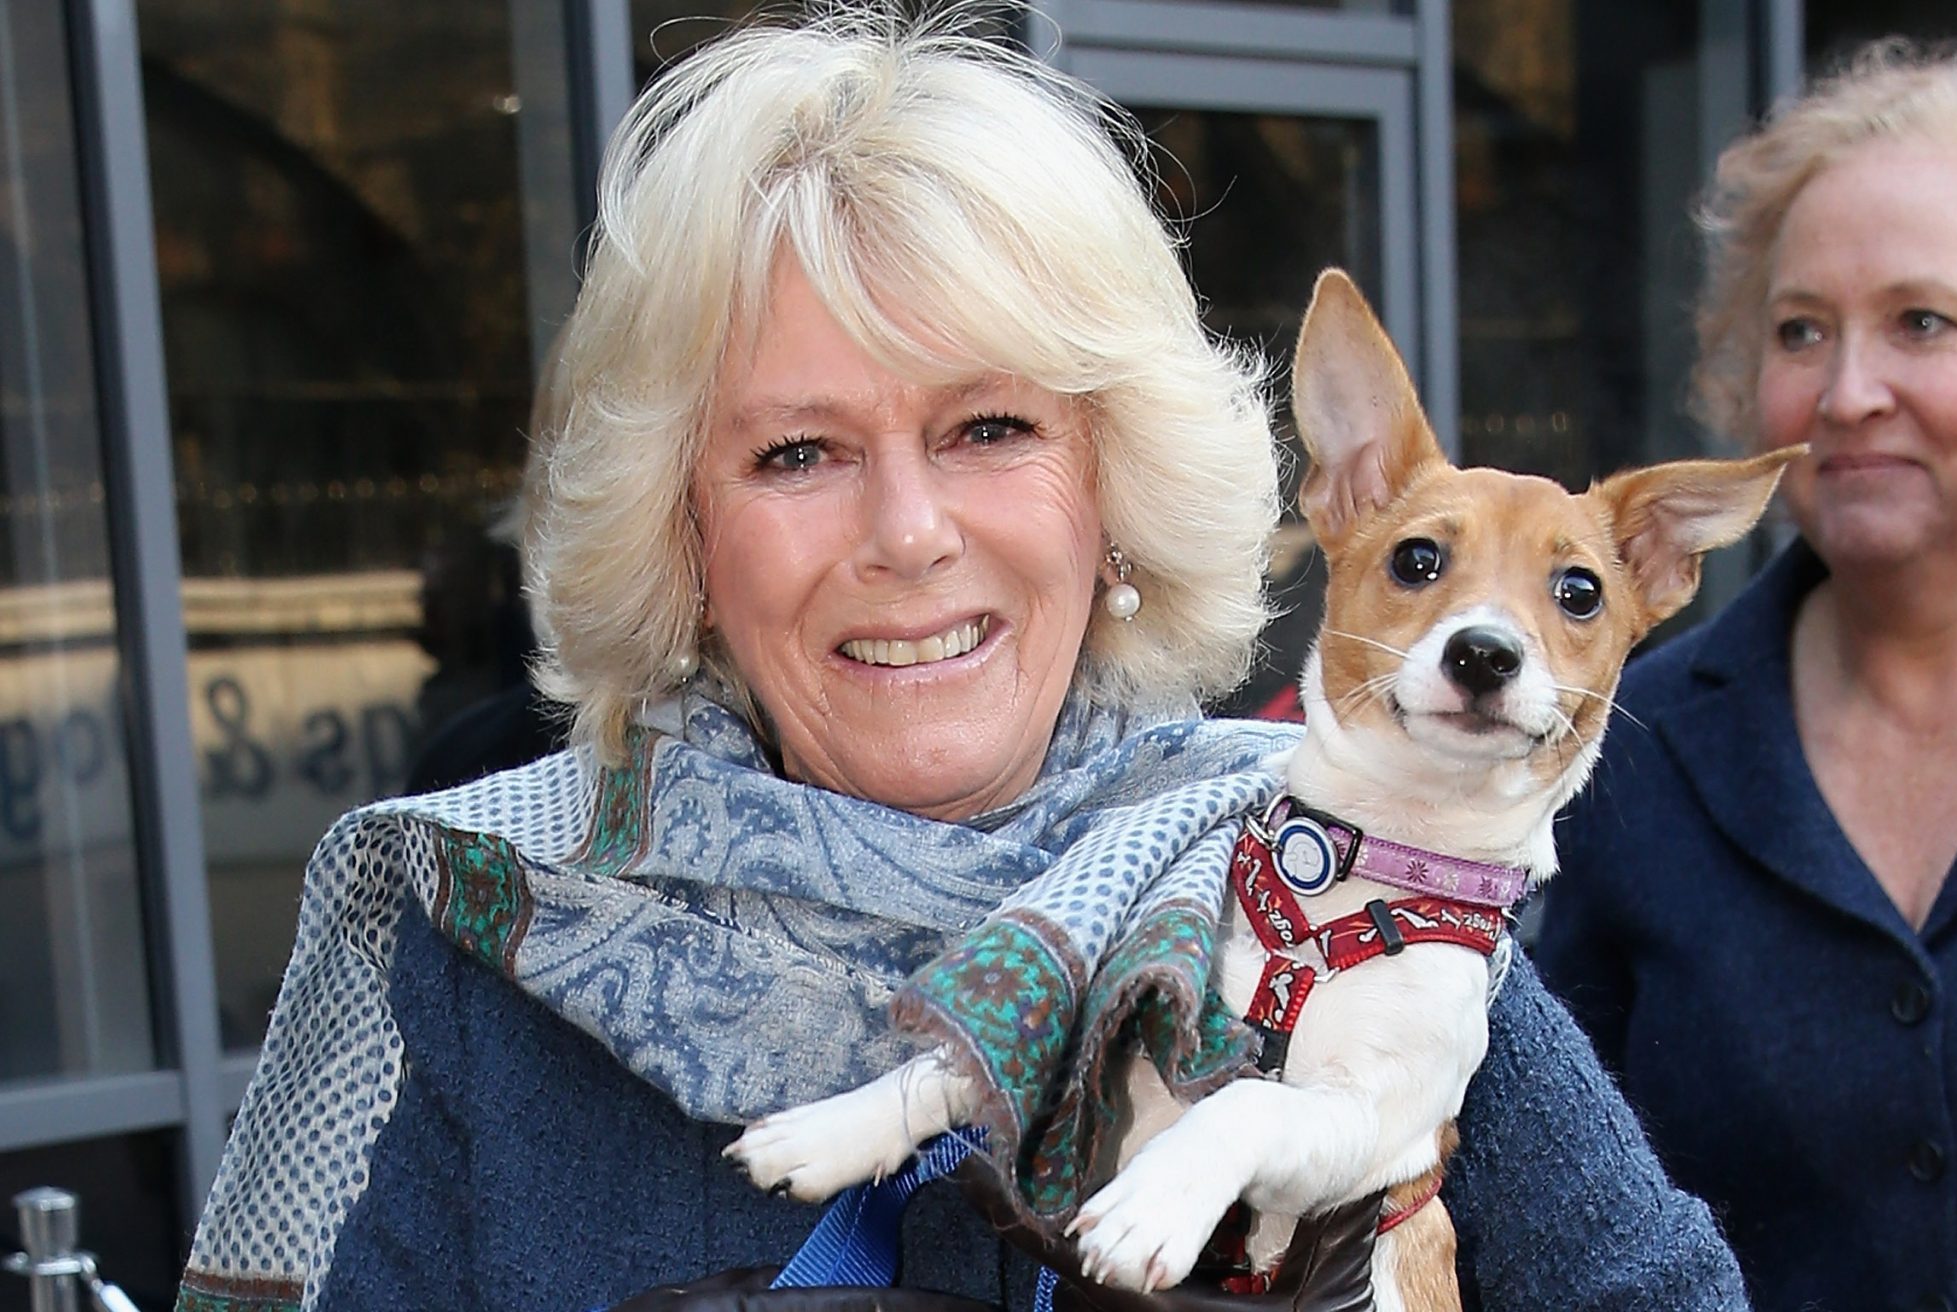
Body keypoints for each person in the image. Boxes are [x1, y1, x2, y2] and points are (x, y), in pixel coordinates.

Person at [177, 9, 1747, 1312]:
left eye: (988, 427)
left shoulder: (1334, 881)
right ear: (684, 541)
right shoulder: (493, 953)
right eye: (797, 451)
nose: (908, 530)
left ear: (1112, 496)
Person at [1537, 38, 1957, 1312]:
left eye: (1922, 322)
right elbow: (1544, 1207)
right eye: (1799, 331)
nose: (1845, 392)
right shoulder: (1632, 746)